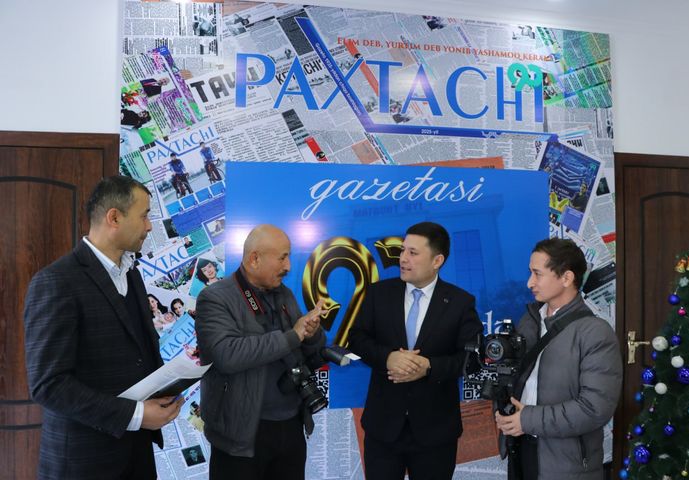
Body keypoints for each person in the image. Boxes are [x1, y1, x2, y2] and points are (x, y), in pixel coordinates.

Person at [23, 175, 183, 480]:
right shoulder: (56, 282)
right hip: (82, 463)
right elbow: (49, 385)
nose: (149, 226)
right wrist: (137, 415)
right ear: (114, 218)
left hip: (137, 456)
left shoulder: (132, 274)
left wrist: (169, 390)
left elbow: (137, 353)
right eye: (144, 215)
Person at [348, 221, 483, 480]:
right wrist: (388, 357)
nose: (402, 259)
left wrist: (429, 367)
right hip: (384, 428)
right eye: (402, 250)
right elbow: (357, 339)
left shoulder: (460, 302)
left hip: (435, 432)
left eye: (413, 252)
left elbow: (472, 359)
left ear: (437, 260)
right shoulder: (379, 294)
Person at [195, 224, 327, 480]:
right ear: (254, 258)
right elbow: (227, 355)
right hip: (240, 436)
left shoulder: (285, 294)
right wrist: (293, 335)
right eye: (282, 258)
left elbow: (308, 351)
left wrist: (311, 334)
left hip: (291, 426)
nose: (288, 266)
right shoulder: (215, 298)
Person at [494, 238, 622, 480]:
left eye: (537, 274)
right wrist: (504, 410)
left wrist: (527, 420)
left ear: (566, 278)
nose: (529, 283)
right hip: (520, 449)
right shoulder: (529, 321)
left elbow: (594, 408)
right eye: (530, 273)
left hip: (566, 463)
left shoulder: (595, 333)